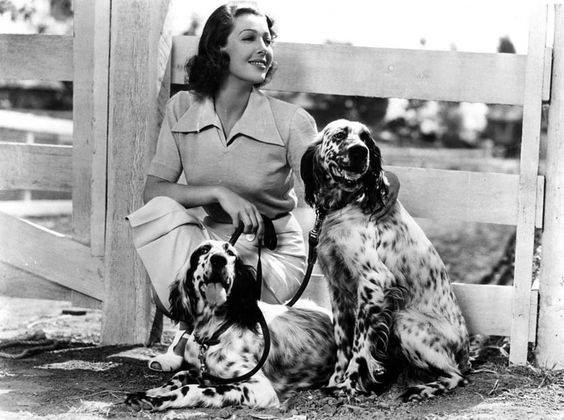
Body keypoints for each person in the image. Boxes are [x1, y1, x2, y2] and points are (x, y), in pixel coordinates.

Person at [126, 2, 399, 372]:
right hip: (213, 241)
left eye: (267, 40)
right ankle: (193, 332)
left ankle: (195, 339)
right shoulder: (181, 108)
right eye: (249, 38)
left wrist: (378, 181)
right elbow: (153, 191)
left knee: (222, 271)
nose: (263, 49)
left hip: (272, 251)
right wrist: (219, 193)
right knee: (162, 212)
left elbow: (330, 187)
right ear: (219, 47)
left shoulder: (290, 121)